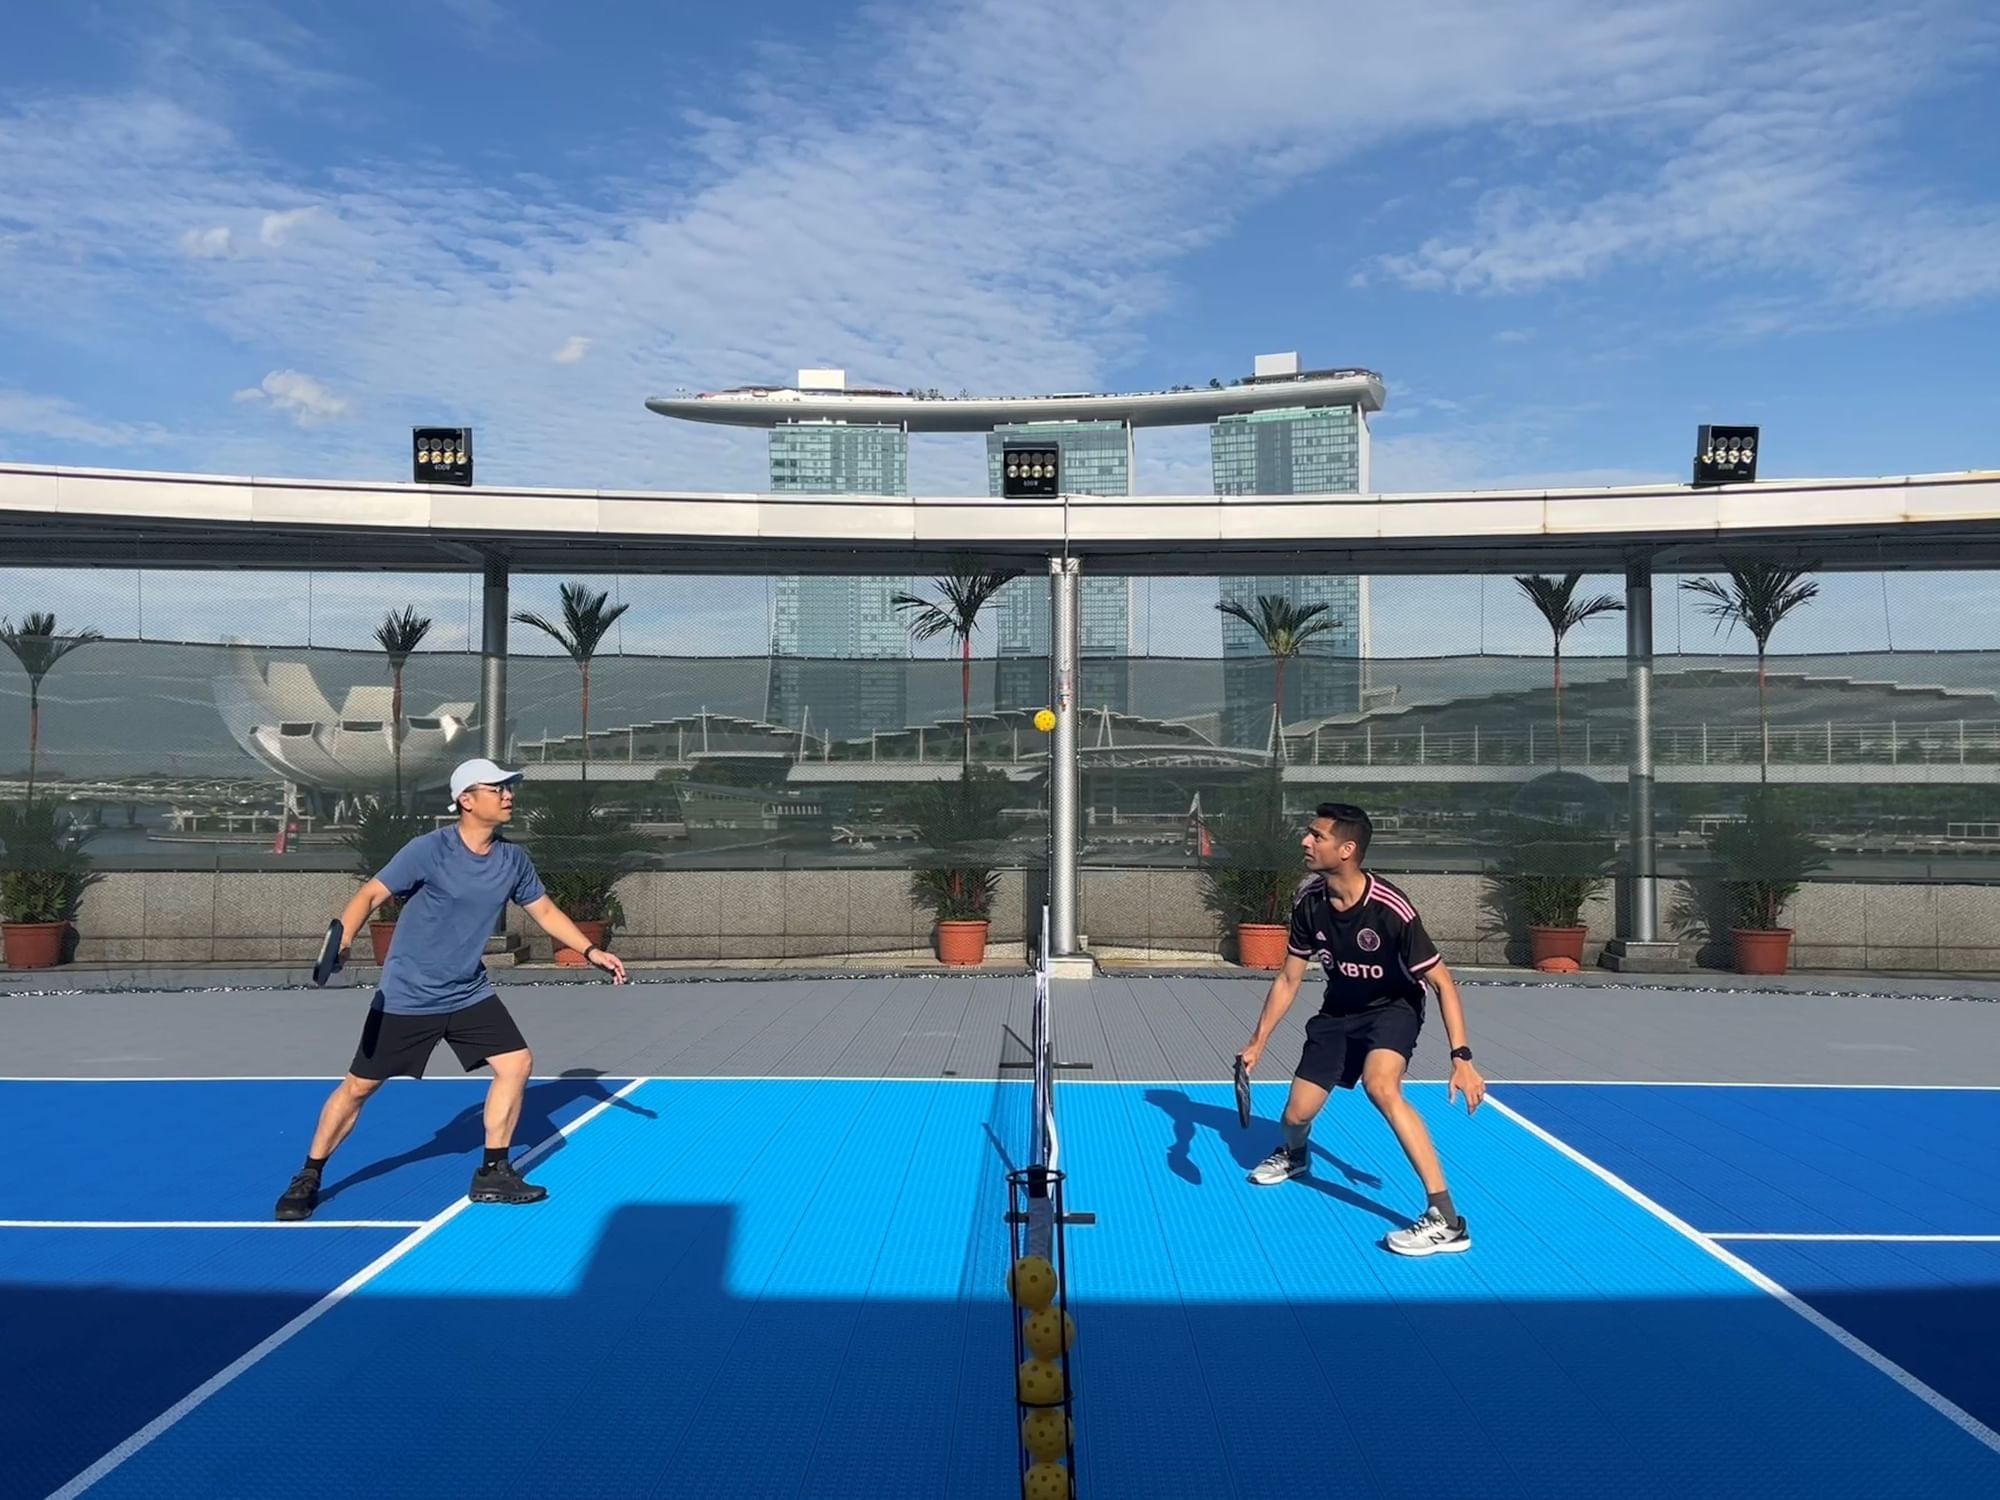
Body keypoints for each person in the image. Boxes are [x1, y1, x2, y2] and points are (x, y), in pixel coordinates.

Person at [274, 757, 628, 1221]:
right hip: (409, 995)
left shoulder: (512, 859)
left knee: (516, 1062)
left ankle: (493, 1173)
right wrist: (342, 940)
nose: (508, 795)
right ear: (466, 800)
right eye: (497, 788)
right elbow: (371, 894)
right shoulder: (428, 850)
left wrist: (590, 950)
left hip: (467, 992)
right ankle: (309, 1174)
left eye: (509, 788)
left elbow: (543, 911)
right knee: (359, 1087)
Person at [1236, 801, 1486, 1256]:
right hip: (1338, 1013)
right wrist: (1257, 1042)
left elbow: (1442, 982)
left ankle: (1446, 1219)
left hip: (1393, 1009)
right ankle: (1296, 1155)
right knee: (1294, 1117)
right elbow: (1289, 979)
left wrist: (1461, 1057)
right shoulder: (1309, 902)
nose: (1305, 841)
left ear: (1347, 849)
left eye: (1317, 836)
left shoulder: (1391, 908)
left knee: (1381, 1086)